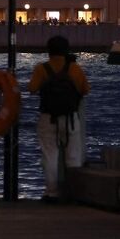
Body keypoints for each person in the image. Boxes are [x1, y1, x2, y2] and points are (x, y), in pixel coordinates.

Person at [26, 35, 90, 202]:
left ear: (48, 51)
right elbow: (85, 90)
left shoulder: (42, 68)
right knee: (73, 155)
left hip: (48, 118)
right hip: (70, 118)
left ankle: (52, 192)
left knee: (49, 155)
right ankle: (74, 193)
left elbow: (32, 88)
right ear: (66, 50)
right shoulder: (75, 69)